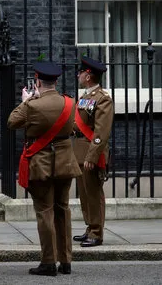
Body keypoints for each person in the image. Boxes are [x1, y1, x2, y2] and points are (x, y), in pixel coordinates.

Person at [7, 62, 81, 276]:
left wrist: (26, 101)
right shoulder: (69, 102)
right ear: (56, 81)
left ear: (37, 82)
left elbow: (12, 122)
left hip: (41, 163)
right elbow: (73, 128)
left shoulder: (32, 105)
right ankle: (66, 261)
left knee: (45, 211)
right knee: (63, 209)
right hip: (65, 161)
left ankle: (48, 262)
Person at [72, 56, 114, 248]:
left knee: (94, 193)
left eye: (81, 72)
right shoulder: (85, 97)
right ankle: (90, 227)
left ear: (88, 76)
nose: (78, 75)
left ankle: (97, 232)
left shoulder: (102, 99)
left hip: (91, 152)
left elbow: (101, 131)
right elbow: (78, 124)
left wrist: (92, 156)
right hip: (79, 151)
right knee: (84, 193)